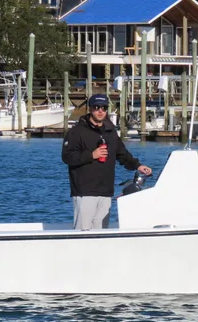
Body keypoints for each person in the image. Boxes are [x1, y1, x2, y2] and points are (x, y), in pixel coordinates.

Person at [62, 94, 152, 230]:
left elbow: (122, 154)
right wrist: (91, 155)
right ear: (90, 109)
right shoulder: (76, 132)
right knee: (82, 231)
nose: (100, 111)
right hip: (84, 191)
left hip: (106, 191)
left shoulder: (111, 132)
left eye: (103, 108)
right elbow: (67, 157)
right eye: (96, 107)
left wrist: (138, 166)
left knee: (101, 232)